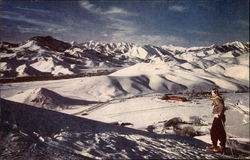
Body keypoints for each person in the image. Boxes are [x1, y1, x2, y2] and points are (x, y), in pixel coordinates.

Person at [206, 88, 226, 153]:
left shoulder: (217, 98)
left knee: (216, 132)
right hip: (218, 116)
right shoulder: (216, 98)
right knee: (216, 132)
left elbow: (221, 106)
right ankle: (216, 145)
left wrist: (219, 113)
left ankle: (220, 147)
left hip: (218, 117)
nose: (212, 93)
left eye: (213, 92)